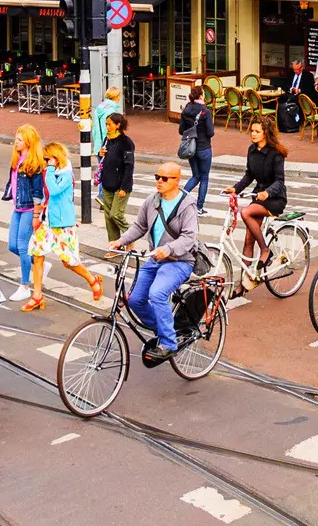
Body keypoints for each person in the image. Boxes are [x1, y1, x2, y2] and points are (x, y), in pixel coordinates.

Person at [114, 161, 200, 365]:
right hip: (156, 259)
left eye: (164, 178)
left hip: (180, 261)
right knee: (134, 300)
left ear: (177, 181)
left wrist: (168, 249)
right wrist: (121, 241)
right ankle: (164, 328)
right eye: (157, 177)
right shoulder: (152, 201)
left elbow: (189, 238)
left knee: (157, 293)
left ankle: (169, 343)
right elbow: (139, 226)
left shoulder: (187, 205)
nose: (159, 181)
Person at [28, 142, 102, 311]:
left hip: (62, 225)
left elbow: (54, 191)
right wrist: (37, 215)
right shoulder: (49, 172)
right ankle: (37, 295)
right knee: (37, 255)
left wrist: (50, 170)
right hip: (48, 222)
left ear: (56, 158)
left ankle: (92, 280)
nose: (45, 162)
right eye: (45, 160)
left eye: (47, 159)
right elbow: (46, 195)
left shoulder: (66, 174)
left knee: (69, 262)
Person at [229, 118, 289, 289]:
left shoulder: (276, 153)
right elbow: (249, 175)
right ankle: (243, 284)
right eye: (252, 131)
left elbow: (280, 181)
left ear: (265, 133)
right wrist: (235, 189)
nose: (253, 134)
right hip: (259, 196)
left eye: (257, 131)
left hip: (275, 198)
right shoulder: (252, 150)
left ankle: (265, 250)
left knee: (245, 212)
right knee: (248, 240)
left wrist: (268, 192)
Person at [7, 125, 44, 302]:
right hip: (18, 207)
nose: (16, 142)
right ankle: (38, 264)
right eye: (16, 138)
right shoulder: (17, 159)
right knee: (12, 246)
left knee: (22, 246)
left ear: (29, 142)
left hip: (29, 209)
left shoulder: (34, 163)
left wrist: (36, 215)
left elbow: (38, 192)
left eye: (20, 140)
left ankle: (25, 286)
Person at [97, 112, 136, 244]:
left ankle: (130, 237)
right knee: (108, 217)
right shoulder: (107, 139)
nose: (107, 127)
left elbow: (129, 166)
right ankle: (114, 245)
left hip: (120, 185)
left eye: (109, 124)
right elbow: (103, 160)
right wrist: (100, 154)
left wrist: (124, 187)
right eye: (106, 124)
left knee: (116, 214)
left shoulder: (126, 142)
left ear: (118, 125)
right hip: (107, 183)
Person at [177, 83, 215, 211]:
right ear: (201, 96)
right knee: (204, 177)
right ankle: (199, 207)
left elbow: (181, 130)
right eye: (203, 93)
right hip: (204, 147)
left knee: (195, 176)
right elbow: (210, 132)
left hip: (191, 148)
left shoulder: (186, 110)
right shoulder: (205, 112)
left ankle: (179, 200)